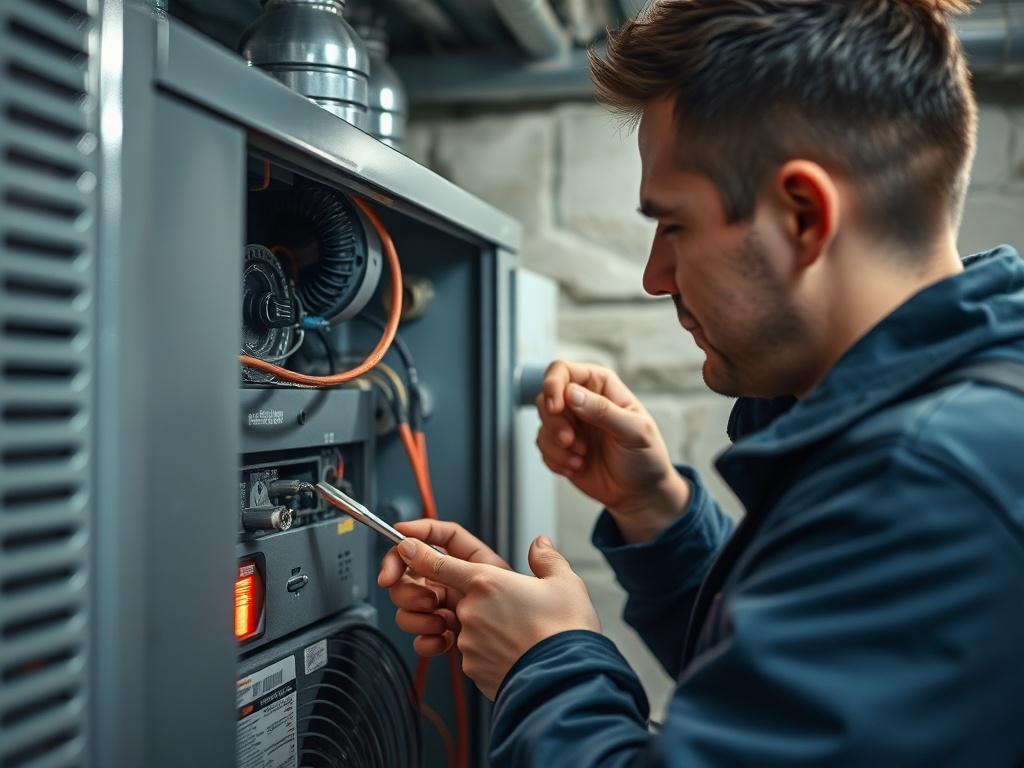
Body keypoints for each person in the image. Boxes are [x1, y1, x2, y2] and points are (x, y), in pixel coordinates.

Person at [379, 0, 1024, 763]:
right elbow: (797, 707)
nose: (655, 277)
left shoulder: (927, 478)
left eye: (673, 224)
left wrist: (545, 661)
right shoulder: (966, 418)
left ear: (802, 216)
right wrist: (657, 512)